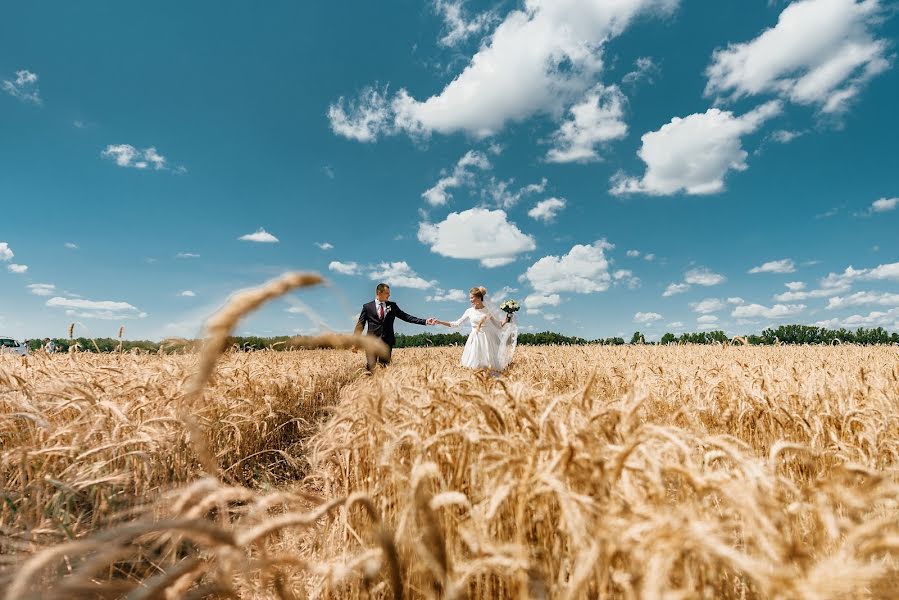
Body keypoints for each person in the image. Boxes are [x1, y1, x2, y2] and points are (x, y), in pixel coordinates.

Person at [354, 283, 436, 371]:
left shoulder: (392, 306)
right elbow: (360, 325)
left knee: (384, 369)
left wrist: (425, 321)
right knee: (370, 368)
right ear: (379, 292)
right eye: (387, 293)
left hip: (386, 343)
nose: (389, 295)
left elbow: (406, 317)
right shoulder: (367, 307)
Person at [433, 286, 517, 371]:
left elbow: (498, 325)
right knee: (473, 366)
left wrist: (507, 318)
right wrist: (440, 322)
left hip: (487, 340)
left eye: (472, 297)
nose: (470, 300)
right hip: (475, 340)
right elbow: (456, 324)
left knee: (490, 367)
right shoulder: (469, 311)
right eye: (470, 298)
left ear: (479, 298)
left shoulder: (488, 310)